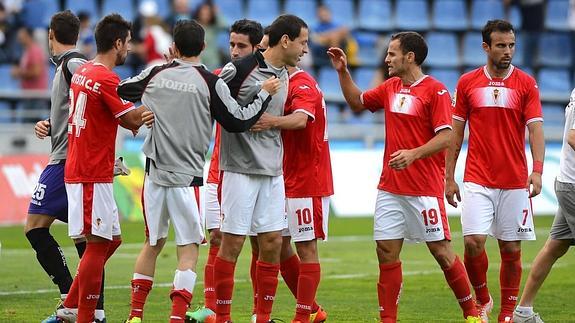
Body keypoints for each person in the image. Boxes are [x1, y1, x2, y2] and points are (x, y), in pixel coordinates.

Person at [118, 18, 280, 323]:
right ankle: (177, 317)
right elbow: (237, 121)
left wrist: (143, 110)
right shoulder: (211, 82)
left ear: (174, 46)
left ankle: (135, 315)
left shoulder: (156, 73)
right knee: (188, 249)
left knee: (152, 244)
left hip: (154, 174)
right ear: (204, 47)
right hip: (187, 178)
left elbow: (123, 88)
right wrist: (264, 94)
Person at [328, 31, 481, 323]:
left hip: (424, 189)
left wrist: (413, 154)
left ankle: (472, 313)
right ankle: (388, 319)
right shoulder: (390, 87)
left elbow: (447, 137)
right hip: (390, 187)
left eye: (392, 53)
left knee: (441, 251)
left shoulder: (435, 91)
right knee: (385, 250)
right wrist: (343, 72)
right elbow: (358, 103)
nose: (386, 59)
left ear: (409, 57)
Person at [445, 20, 545, 322]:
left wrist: (537, 169)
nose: (508, 51)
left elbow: (536, 129)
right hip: (477, 178)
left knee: (510, 247)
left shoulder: (526, 83)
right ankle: (483, 297)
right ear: (486, 47)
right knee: (474, 242)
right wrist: (449, 176)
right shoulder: (467, 83)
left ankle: (505, 314)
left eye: (511, 45)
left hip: (514, 180)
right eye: (501, 45)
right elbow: (456, 132)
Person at [212, 14, 308, 323]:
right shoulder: (238, 69)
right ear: (286, 41)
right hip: (239, 170)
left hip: (272, 172)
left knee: (272, 243)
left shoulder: (287, 75)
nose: (305, 49)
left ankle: (262, 317)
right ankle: (223, 317)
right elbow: (214, 103)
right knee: (233, 243)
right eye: (302, 43)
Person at [54, 14, 146, 323]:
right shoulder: (106, 78)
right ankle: (83, 316)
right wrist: (162, 99)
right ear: (118, 43)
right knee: (98, 244)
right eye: (128, 43)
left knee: (112, 239)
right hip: (91, 172)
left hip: (87, 168)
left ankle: (71, 304)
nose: (129, 49)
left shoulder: (84, 72)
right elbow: (131, 120)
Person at [185, 18, 266, 323]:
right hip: (219, 171)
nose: (234, 51)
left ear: (257, 48)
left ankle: (260, 311)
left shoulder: (267, 80)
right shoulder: (220, 78)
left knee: (261, 241)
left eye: (241, 46)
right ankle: (212, 310)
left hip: (256, 172)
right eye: (231, 44)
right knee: (217, 238)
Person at [22, 10, 97, 323]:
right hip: (70, 158)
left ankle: (70, 298)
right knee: (84, 239)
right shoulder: (66, 66)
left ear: (51, 35)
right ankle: (92, 310)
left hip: (65, 161)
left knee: (35, 228)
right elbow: (78, 111)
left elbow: (94, 90)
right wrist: (53, 123)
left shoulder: (74, 64)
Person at [249, 61, 334, 323]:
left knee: (306, 247)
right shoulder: (281, 82)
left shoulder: (302, 83)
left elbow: (300, 120)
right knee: (278, 245)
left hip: (308, 179)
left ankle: (302, 317)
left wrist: (269, 121)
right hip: (283, 176)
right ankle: (312, 311)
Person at [513, 89, 575, 323]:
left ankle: (523, 312)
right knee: (553, 247)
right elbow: (573, 137)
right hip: (573, 185)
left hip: (569, 182)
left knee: (555, 247)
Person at [11, 26, 48, 122]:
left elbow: (36, 72)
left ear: (28, 36)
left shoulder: (34, 51)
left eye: (21, 35)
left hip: (35, 95)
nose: (19, 38)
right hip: (29, 95)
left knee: (32, 125)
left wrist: (19, 72)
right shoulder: (27, 50)